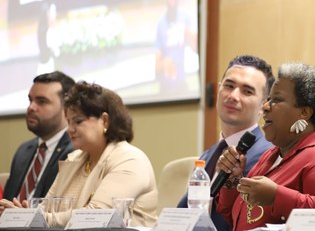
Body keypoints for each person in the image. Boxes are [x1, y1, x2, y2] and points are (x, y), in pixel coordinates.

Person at [216, 62, 315, 230]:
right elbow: (239, 220)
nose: (264, 107)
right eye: (268, 99)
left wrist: (277, 196)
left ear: (304, 112)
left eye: (276, 100)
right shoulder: (271, 156)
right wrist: (233, 180)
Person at [0, 81, 158, 228]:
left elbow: (94, 216)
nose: (69, 129)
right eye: (68, 122)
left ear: (105, 121)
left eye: (78, 121)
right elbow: (45, 207)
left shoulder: (129, 159)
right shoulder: (74, 159)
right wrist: (20, 214)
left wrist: (34, 218)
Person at [177, 55, 275, 230]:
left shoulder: (270, 155)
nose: (233, 96)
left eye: (247, 91)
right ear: (219, 90)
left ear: (264, 105)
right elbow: (183, 214)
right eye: (229, 86)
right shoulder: (208, 156)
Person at [3, 71, 75, 201]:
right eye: (30, 100)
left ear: (67, 107)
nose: (31, 107)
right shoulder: (24, 150)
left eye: (42, 102)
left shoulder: (76, 150)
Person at [155, 0, 198, 94]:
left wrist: (185, 31)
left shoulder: (185, 17)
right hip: (165, 87)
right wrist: (165, 63)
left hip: (181, 84)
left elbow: (197, 48)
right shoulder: (161, 23)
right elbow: (156, 67)